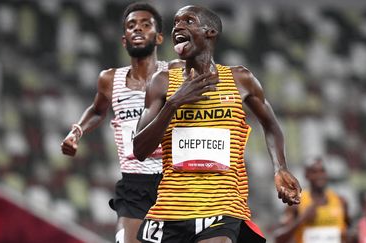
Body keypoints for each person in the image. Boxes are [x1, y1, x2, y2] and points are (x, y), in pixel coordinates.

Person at [133, 5, 301, 243]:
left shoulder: (240, 80)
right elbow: (139, 150)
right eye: (175, 24)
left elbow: (271, 125)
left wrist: (280, 167)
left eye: (188, 21)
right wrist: (173, 103)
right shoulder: (162, 82)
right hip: (171, 208)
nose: (178, 27)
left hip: (223, 206)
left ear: (210, 32)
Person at [60, 2, 182, 243]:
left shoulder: (175, 73)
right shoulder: (109, 79)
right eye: (131, 26)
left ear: (158, 38)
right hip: (134, 183)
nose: (137, 29)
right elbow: (97, 110)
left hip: (174, 181)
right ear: (124, 40)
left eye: (146, 25)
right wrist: (77, 132)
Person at [273, 157, 350, 243]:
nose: (319, 175)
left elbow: (348, 234)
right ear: (306, 175)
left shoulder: (341, 201)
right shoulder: (296, 203)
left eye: (322, 171)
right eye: (314, 172)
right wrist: (302, 218)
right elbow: (278, 238)